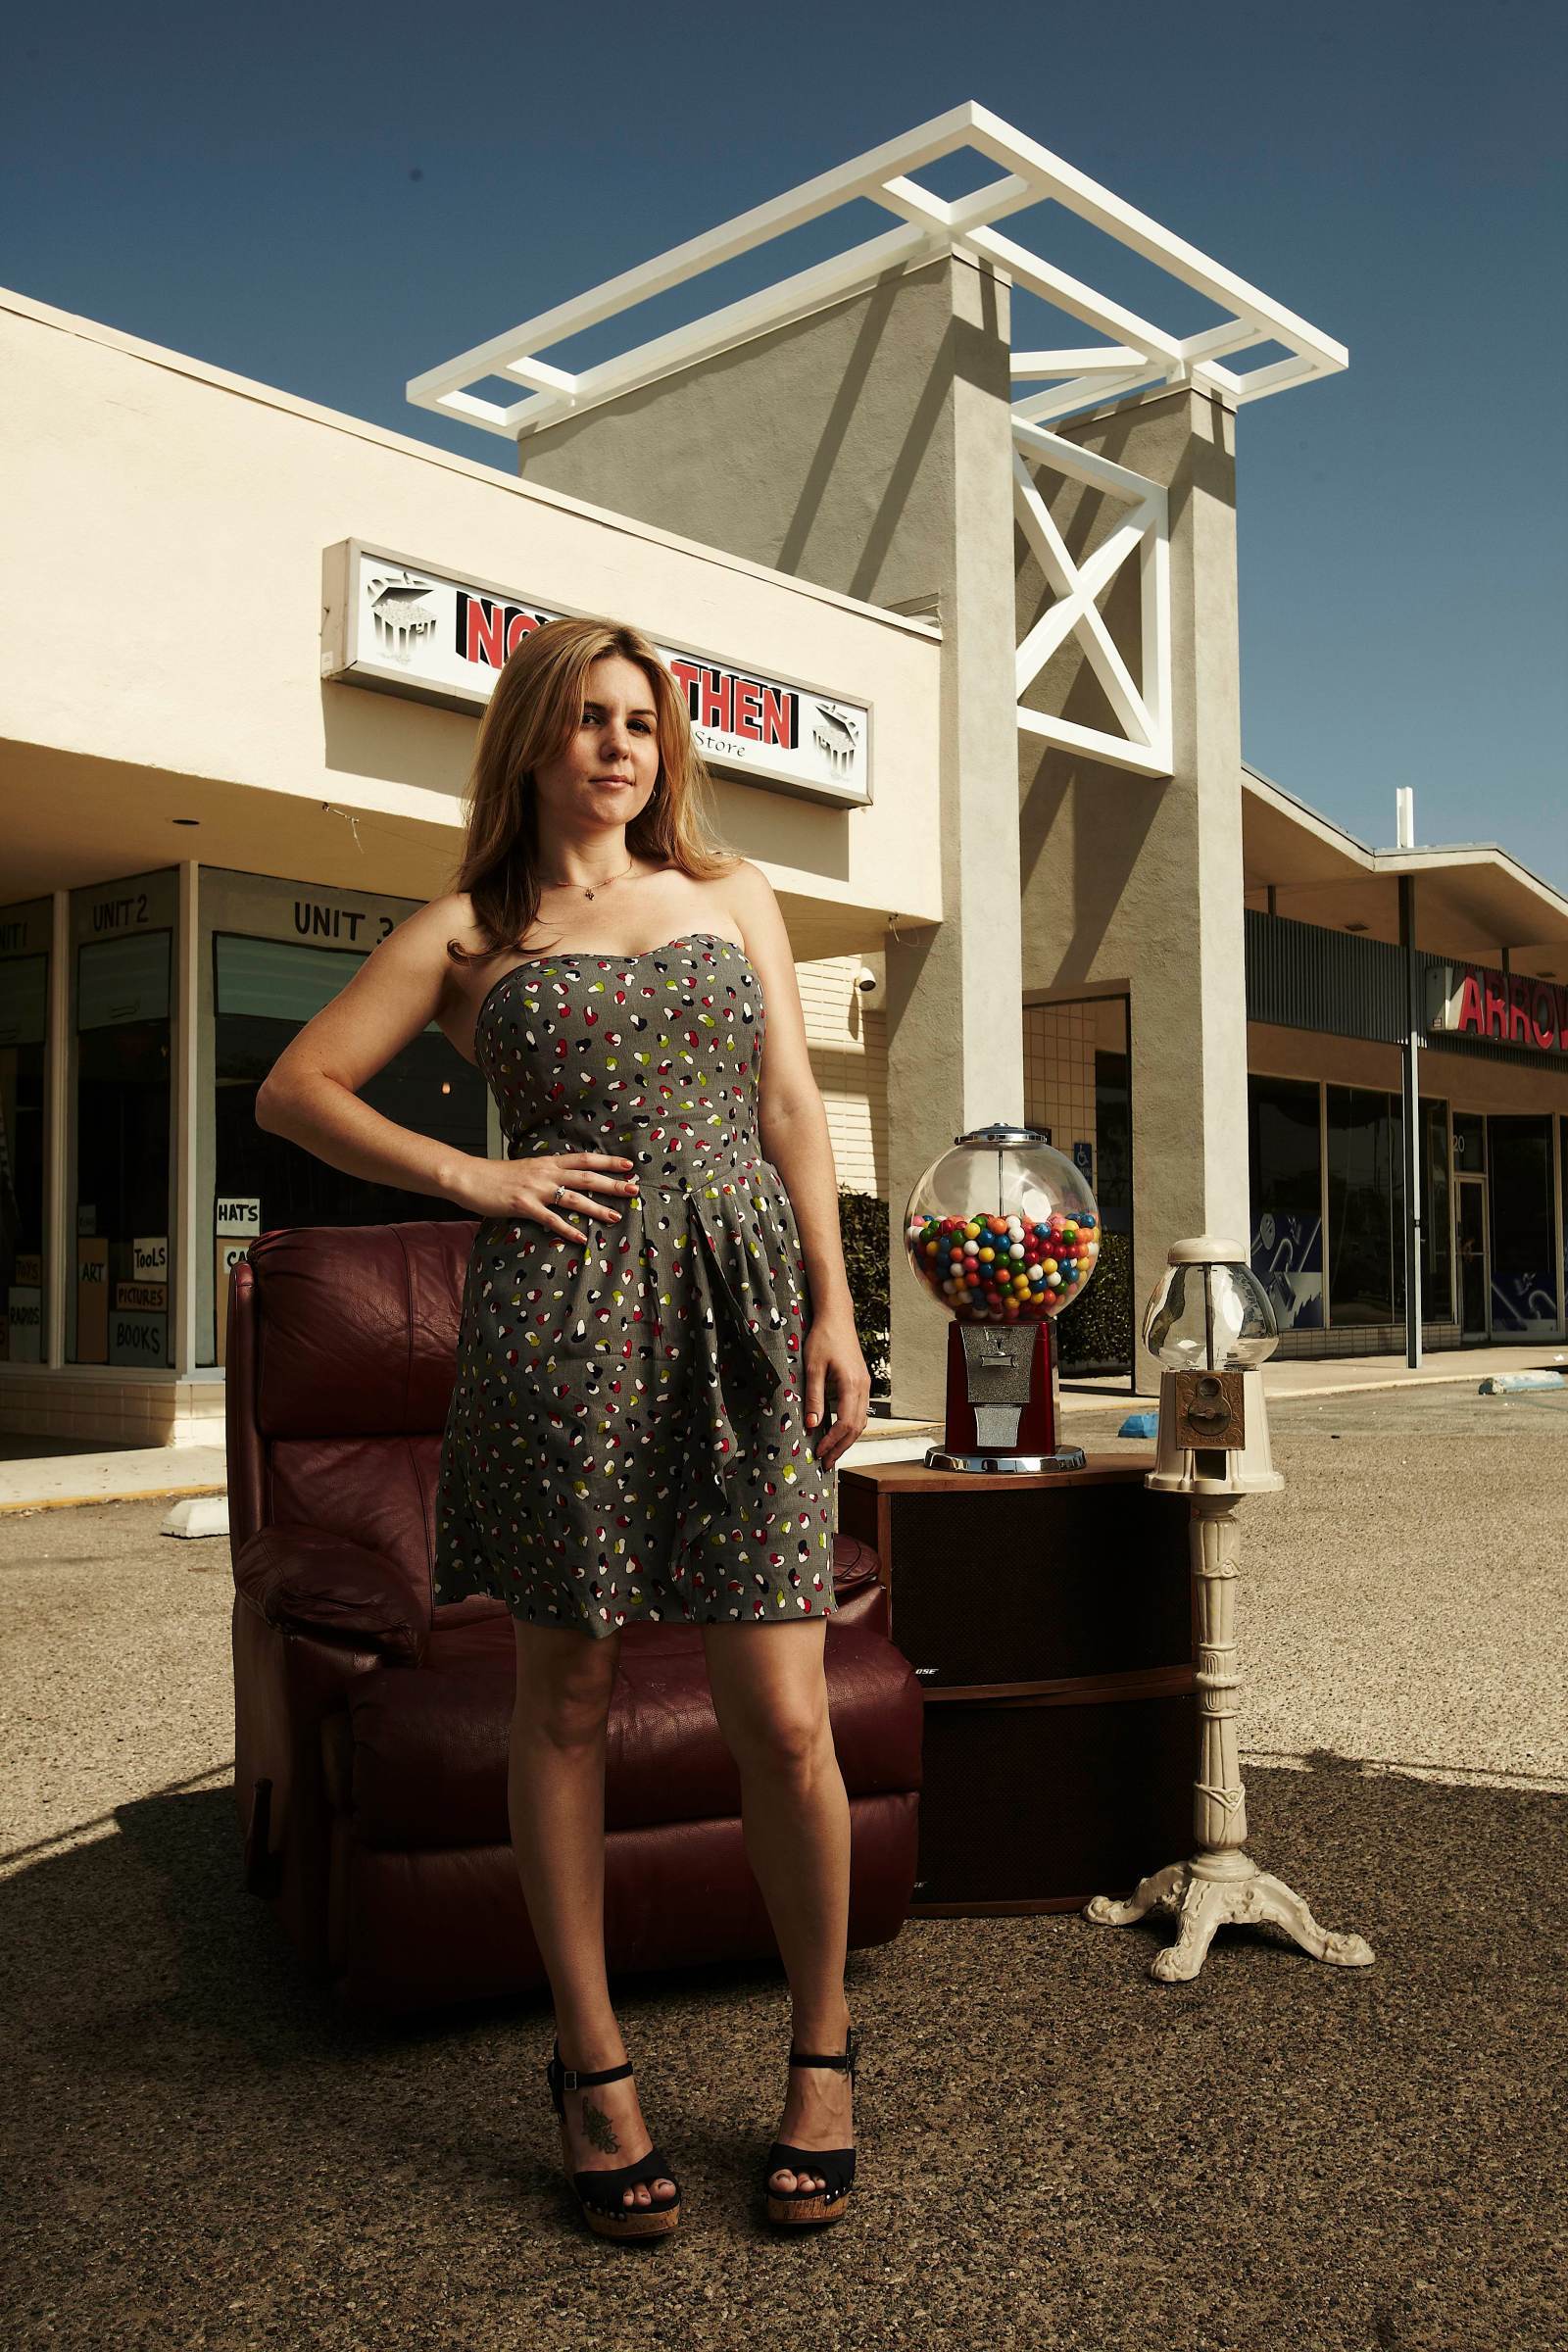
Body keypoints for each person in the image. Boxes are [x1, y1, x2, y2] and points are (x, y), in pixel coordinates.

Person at [256, 614, 871, 2240]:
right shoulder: (469, 933)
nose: (619, 746)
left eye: (642, 722)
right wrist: (475, 1177)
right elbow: (297, 1088)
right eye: (590, 718)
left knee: (783, 1714)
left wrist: (835, 1307)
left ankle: (823, 2049)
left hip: (742, 1311)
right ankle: (593, 2067)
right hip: (564, 1328)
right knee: (570, 1696)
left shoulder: (733, 895)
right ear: (532, 738)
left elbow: (790, 1108)